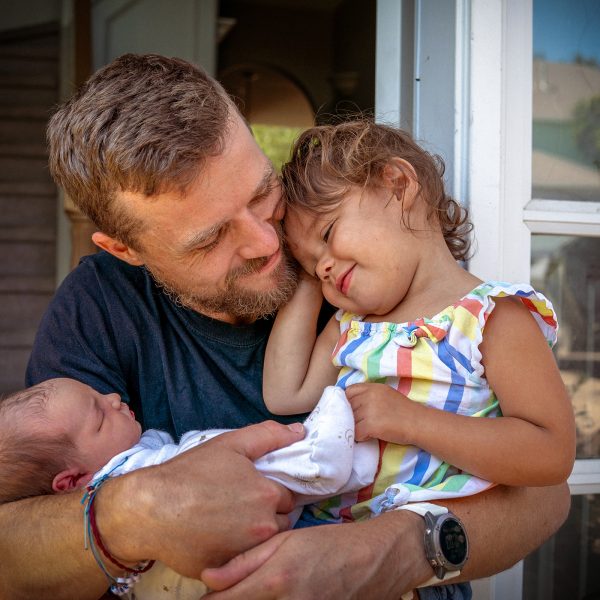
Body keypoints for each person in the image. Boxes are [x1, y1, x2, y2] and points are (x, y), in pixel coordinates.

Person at [0, 53, 569, 600]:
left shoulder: (363, 272)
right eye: (211, 239)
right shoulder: (99, 306)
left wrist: (389, 550)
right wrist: (132, 511)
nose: (269, 244)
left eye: (261, 192)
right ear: (126, 250)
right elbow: (15, 545)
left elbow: (545, 496)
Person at [261, 120, 575, 523]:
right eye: (309, 265)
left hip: (420, 562)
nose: (322, 267)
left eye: (329, 231)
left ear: (398, 185)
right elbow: (285, 394)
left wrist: (411, 422)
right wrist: (307, 270)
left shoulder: (492, 318)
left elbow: (550, 454)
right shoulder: (354, 325)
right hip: (322, 531)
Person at [0, 377, 375, 598]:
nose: (113, 398)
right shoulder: (122, 473)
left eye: (100, 394)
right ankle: (313, 457)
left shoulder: (120, 451)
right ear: (74, 482)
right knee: (213, 462)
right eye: (99, 415)